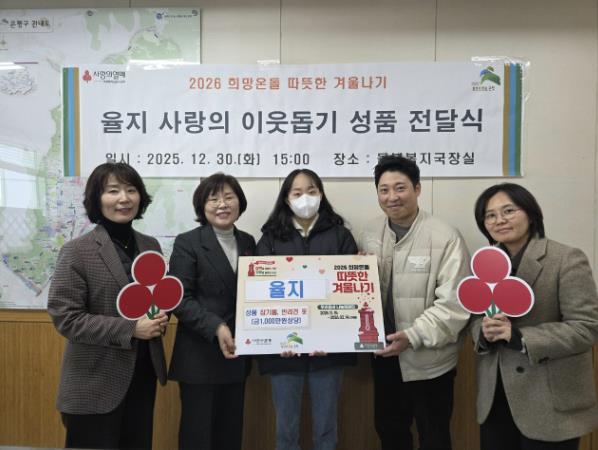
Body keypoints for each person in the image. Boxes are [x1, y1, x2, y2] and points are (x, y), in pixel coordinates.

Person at [47, 162, 168, 450]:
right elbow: (67, 318)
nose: (124, 198)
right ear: (96, 199)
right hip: (94, 381)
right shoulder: (77, 251)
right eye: (113, 191)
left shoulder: (150, 246)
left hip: (142, 375)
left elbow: (154, 298)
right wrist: (131, 329)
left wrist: (159, 316)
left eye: (131, 190)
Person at [471, 183, 598, 450]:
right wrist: (483, 332)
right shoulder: (484, 262)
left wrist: (520, 336)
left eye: (508, 211)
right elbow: (474, 318)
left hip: (548, 402)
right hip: (495, 399)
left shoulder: (566, 258)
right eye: (490, 215)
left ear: (530, 214)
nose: (499, 220)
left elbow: (586, 328)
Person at [358, 155, 470, 450]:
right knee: (390, 432)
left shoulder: (445, 236)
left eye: (400, 188)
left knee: (434, 437)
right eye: (384, 190)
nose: (392, 197)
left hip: (430, 360)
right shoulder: (369, 233)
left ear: (417, 189)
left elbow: (454, 304)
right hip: (385, 356)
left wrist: (413, 335)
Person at [256, 168, 357, 450]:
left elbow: (351, 295)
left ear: (321, 194)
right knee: (285, 432)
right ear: (286, 199)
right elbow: (260, 294)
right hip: (283, 352)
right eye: (297, 193)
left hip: (329, 352)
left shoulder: (341, 236)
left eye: (311, 191)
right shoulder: (270, 238)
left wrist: (331, 339)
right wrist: (278, 339)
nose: (305, 198)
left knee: (326, 430)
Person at [168, 173, 256, 450]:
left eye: (229, 197)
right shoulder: (188, 242)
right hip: (199, 357)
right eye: (213, 198)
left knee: (230, 434)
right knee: (198, 436)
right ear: (201, 206)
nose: (222, 204)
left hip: (237, 353)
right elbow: (179, 298)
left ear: (240, 202)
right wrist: (216, 326)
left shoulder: (249, 242)